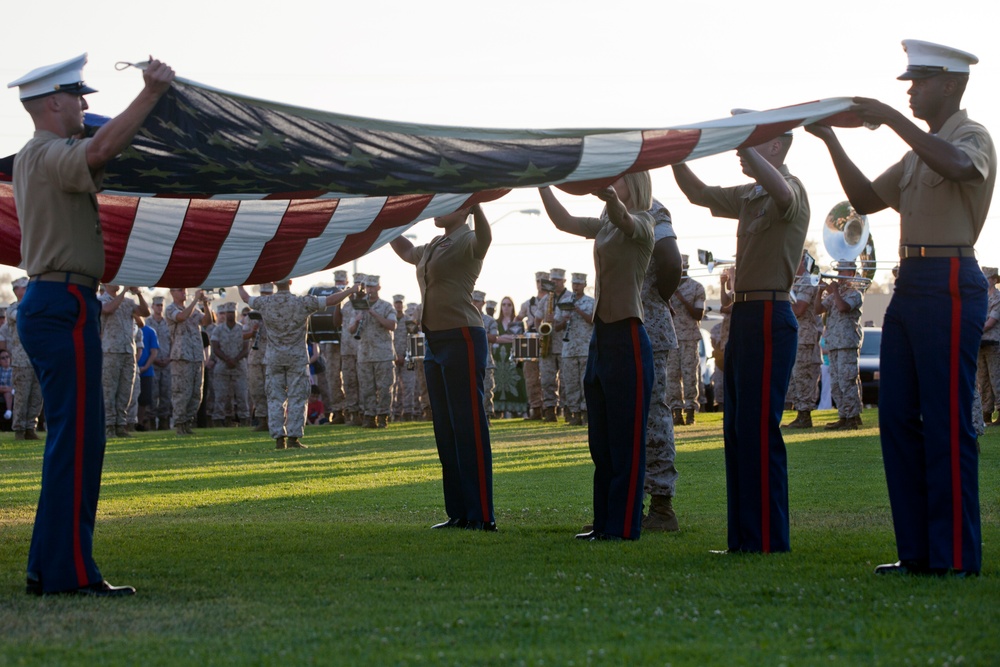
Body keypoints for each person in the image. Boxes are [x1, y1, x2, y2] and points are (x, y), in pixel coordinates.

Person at [806, 39, 995, 576]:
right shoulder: (919, 150)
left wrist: (889, 118)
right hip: (911, 280)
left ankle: (954, 555)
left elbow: (961, 167)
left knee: (947, 419)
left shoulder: (968, 136)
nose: (910, 90)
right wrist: (829, 142)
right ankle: (916, 552)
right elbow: (864, 200)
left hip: (949, 279)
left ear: (951, 85)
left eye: (919, 82)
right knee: (896, 419)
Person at [8, 53, 175, 596]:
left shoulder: (43, 155)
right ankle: (67, 573)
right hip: (62, 305)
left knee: (74, 441)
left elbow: (102, 149)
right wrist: (150, 93)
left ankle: (48, 566)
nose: (84, 104)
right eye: (77, 96)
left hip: (60, 303)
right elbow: (102, 147)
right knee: (78, 443)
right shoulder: (48, 152)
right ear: (53, 102)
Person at [673, 115, 810, 554]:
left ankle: (768, 540)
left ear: (775, 147)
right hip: (745, 317)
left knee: (758, 430)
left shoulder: (791, 191)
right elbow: (698, 193)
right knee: (736, 430)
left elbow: (783, 193)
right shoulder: (750, 195)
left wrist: (744, 142)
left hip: (772, 314)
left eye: (752, 143)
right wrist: (676, 154)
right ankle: (744, 539)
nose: (739, 152)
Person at [539, 172, 655, 542]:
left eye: (619, 179)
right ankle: (604, 524)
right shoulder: (606, 222)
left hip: (628, 336)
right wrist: (541, 181)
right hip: (601, 338)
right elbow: (564, 221)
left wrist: (610, 198)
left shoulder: (644, 222)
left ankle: (624, 526)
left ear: (634, 185)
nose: (612, 182)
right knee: (601, 440)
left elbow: (625, 218)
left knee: (626, 439)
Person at [390, 203, 496, 531]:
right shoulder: (436, 244)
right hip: (434, 341)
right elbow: (407, 250)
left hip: (462, 336)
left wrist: (478, 204)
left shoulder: (467, 239)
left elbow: (485, 239)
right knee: (446, 430)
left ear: (463, 208)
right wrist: (385, 222)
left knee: (469, 428)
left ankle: (481, 515)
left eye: (447, 203)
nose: (437, 209)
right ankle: (458, 513)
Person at [237, 279, 359, 449]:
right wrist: (350, 291)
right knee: (297, 398)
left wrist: (239, 283)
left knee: (274, 399)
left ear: (273, 283)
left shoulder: (265, 303)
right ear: (291, 282)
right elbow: (331, 300)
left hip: (274, 358)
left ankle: (279, 438)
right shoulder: (302, 302)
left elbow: (245, 298)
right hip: (297, 359)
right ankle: (294, 438)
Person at [640, 198, 683, 532]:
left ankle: (661, 507)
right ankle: (630, 503)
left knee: (654, 417)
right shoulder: (610, 208)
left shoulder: (654, 210)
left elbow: (671, 261)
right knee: (628, 419)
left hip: (649, 325)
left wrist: (658, 299)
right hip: (623, 325)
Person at [814, 263, 864, 430]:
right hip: (834, 344)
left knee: (847, 380)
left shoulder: (856, 293)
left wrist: (834, 291)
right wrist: (820, 291)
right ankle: (843, 415)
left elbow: (843, 307)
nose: (838, 275)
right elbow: (817, 309)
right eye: (838, 272)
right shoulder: (837, 294)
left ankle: (853, 417)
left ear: (851, 273)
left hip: (847, 343)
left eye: (842, 271)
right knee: (836, 382)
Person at [347, 274, 397, 428]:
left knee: (384, 388)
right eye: (368, 286)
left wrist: (373, 313)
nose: (370, 289)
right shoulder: (359, 305)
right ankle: (369, 416)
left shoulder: (386, 306)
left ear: (379, 287)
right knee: (367, 388)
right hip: (365, 354)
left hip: (383, 354)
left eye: (373, 286)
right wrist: (356, 320)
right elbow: (350, 330)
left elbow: (392, 325)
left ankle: (383, 416)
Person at [100, 284, 149, 438]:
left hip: (128, 351)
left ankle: (121, 425)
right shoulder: (101, 300)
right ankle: (109, 426)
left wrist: (139, 294)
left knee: (125, 392)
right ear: (105, 284)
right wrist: (124, 291)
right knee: (109, 391)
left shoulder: (128, 302)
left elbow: (145, 313)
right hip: (110, 351)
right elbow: (108, 309)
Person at [166, 287, 215, 435]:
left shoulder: (193, 310)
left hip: (196, 356)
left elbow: (207, 321)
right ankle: (180, 424)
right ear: (172, 293)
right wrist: (194, 300)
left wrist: (205, 304)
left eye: (184, 290)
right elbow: (181, 317)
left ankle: (188, 422)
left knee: (196, 393)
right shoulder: (171, 309)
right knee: (182, 392)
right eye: (179, 290)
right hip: (181, 357)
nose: (183, 292)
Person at [783, 253, 822, 429]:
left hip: (805, 336)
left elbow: (799, 309)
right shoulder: (794, 281)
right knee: (796, 376)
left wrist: (781, 297)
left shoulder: (807, 280)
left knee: (803, 375)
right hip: (795, 335)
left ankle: (805, 416)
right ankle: (800, 414)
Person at [667, 255, 706, 426]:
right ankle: (676, 411)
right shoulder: (665, 287)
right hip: (671, 337)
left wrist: (681, 297)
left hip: (689, 337)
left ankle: (690, 411)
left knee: (690, 375)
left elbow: (698, 314)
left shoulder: (697, 287)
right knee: (672, 376)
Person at [552, 273, 595, 426]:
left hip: (585, 349)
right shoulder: (563, 303)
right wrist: (565, 320)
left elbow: (592, 320)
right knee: (570, 383)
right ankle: (574, 413)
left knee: (586, 383)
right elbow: (556, 327)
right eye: (574, 284)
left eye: (579, 284)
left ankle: (586, 413)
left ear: (584, 285)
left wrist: (578, 310)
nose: (576, 287)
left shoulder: (591, 302)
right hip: (568, 350)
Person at [492, 296, 528, 418]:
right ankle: (498, 410)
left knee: (517, 380)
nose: (506, 307)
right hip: (498, 357)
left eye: (509, 305)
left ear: (513, 307)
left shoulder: (518, 322)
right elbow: (495, 338)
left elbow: (520, 338)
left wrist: (502, 338)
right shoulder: (495, 323)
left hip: (515, 356)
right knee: (498, 381)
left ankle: (518, 410)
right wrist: (510, 338)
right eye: (504, 304)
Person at [977, 267, 1000, 425]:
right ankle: (986, 412)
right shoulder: (980, 297)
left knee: (996, 378)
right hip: (979, 343)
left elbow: (991, 321)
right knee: (982, 380)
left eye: (986, 277)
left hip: (993, 344)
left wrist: (974, 328)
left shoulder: (997, 298)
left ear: (993, 279)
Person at [147, 295, 173, 430]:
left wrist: (169, 358)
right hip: (153, 363)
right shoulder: (147, 323)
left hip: (167, 364)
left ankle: (164, 421)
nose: (159, 308)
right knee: (153, 393)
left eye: (161, 305)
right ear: (152, 307)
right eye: (157, 305)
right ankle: (151, 421)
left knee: (166, 393)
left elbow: (173, 342)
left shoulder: (168, 323)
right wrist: (155, 359)